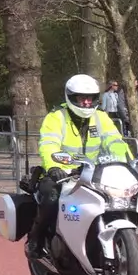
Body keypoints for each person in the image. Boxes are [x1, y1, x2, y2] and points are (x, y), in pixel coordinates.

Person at [29, 74, 130, 260]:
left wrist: (125, 161)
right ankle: (36, 238)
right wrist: (53, 166)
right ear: (71, 97)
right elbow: (48, 144)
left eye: (90, 98)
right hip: (63, 173)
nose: (85, 102)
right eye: (81, 98)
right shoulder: (56, 117)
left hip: (94, 173)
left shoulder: (101, 118)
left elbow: (116, 141)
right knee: (51, 197)